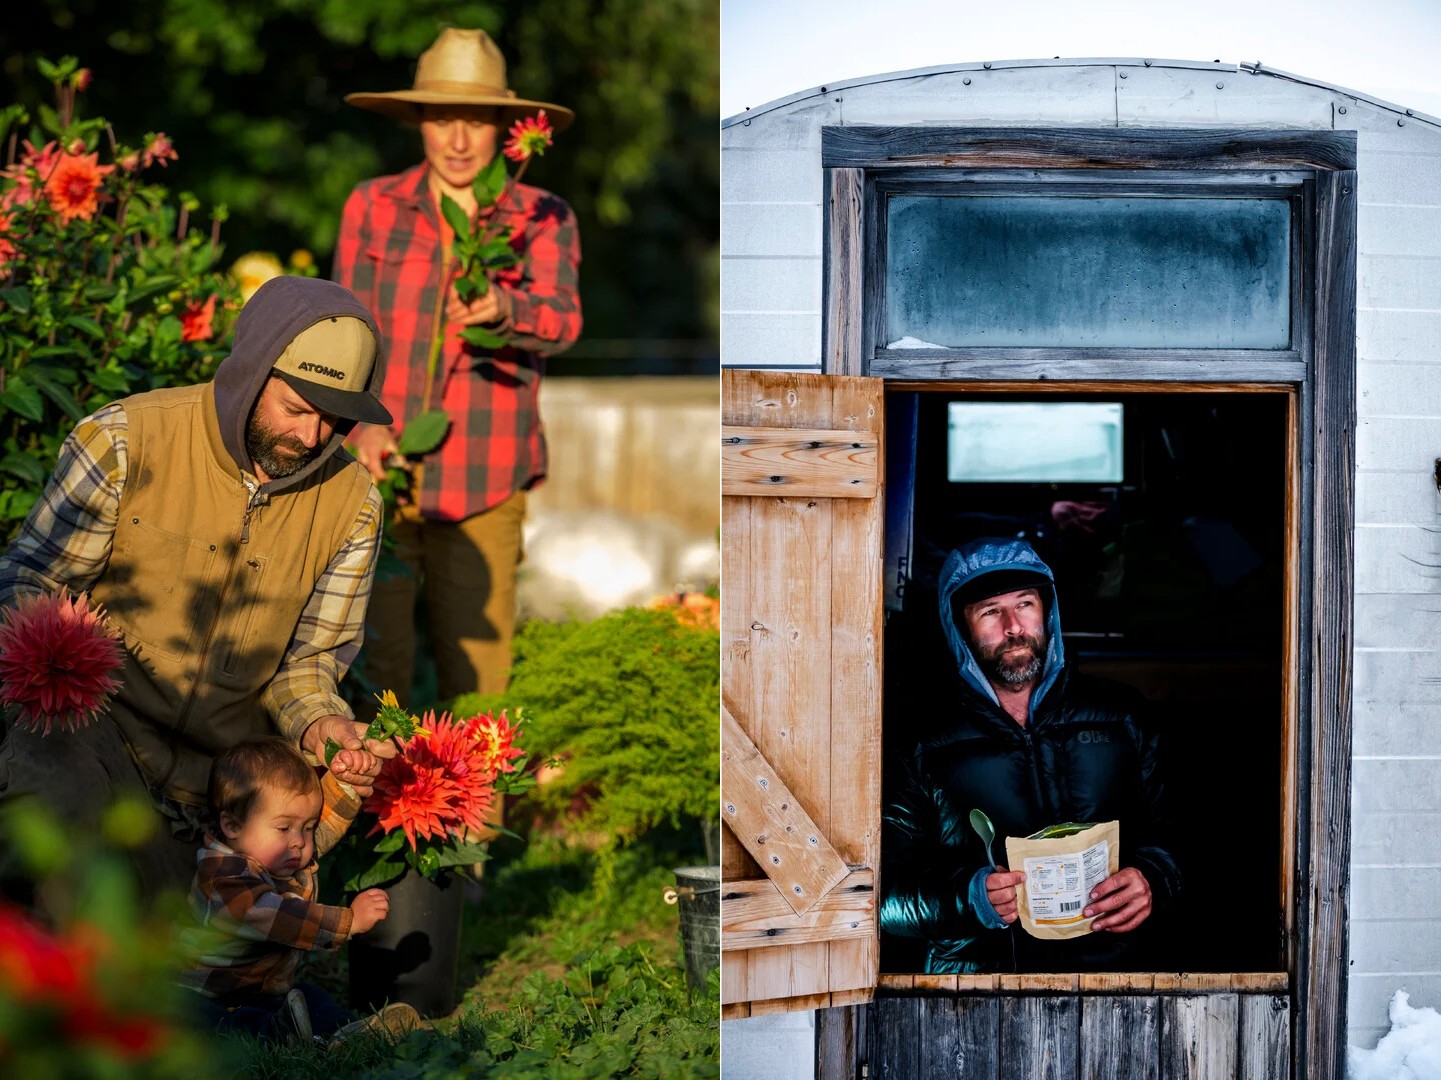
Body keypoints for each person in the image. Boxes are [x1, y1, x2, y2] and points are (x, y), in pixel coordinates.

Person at [0, 276, 399, 901]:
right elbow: (29, 582)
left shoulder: (354, 506)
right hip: (97, 737)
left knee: (191, 972)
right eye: (296, 409)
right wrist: (57, 652)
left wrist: (323, 724)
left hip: (224, 789)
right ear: (249, 373)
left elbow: (308, 666)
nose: (314, 437)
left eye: (335, 418)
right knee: (58, 834)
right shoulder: (127, 440)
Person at [335, 27, 582, 710]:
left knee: (478, 684)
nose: (458, 138)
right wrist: (357, 429)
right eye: (443, 117)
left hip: (486, 474)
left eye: (475, 119)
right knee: (369, 666)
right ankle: (374, 817)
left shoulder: (541, 217)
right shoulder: (373, 206)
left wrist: (504, 306)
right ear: (419, 119)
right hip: (380, 471)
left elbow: (563, 321)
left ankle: (475, 819)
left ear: (506, 126)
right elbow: (341, 336)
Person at [880, 536, 1182, 973]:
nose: (1013, 626)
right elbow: (879, 897)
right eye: (990, 612)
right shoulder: (921, 744)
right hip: (978, 995)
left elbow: (1183, 831)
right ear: (959, 626)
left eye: (1025, 604)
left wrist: (1155, 877)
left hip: (1117, 983)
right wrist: (970, 898)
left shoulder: (1123, 716)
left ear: (1048, 611)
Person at [182, 737, 419, 1042]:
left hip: (263, 993)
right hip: (209, 996)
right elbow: (281, 917)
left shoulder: (279, 855)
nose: (299, 840)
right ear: (231, 825)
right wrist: (348, 921)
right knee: (216, 1022)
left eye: (307, 827)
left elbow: (329, 820)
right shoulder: (222, 879)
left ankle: (350, 1033)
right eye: (284, 828)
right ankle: (282, 1033)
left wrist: (347, 778)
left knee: (308, 996)